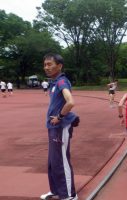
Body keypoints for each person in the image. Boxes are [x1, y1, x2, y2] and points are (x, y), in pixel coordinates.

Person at [40, 53, 79, 200]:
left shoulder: (62, 82)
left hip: (61, 126)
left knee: (62, 160)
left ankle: (69, 195)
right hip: (53, 128)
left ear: (59, 66)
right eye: (45, 65)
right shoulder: (54, 83)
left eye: (49, 64)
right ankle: (56, 190)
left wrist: (60, 117)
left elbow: (70, 102)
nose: (46, 67)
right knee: (53, 161)